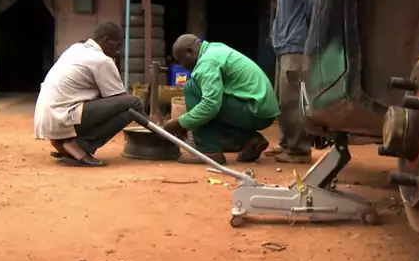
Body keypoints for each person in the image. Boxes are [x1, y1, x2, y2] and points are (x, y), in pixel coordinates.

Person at [34, 21, 142, 167]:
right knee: (134, 104)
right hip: (62, 116)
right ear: (105, 41)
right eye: (117, 45)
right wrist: (152, 125)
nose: (119, 51)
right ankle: (80, 145)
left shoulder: (76, 48)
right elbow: (121, 98)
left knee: (119, 105)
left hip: (46, 117)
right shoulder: (102, 60)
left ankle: (64, 141)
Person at [163, 34, 279, 165]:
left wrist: (180, 123)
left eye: (181, 60)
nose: (182, 66)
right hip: (261, 108)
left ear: (189, 52)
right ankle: (248, 140)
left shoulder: (207, 63)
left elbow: (210, 105)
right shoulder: (215, 49)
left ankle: (208, 151)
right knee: (209, 108)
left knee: (192, 88)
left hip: (255, 109)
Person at [267, 0, 319, 164]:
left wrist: (309, 46)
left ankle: (299, 150)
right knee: (282, 99)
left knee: (292, 99)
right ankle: (287, 143)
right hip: (283, 47)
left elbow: (314, 11)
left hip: (297, 47)